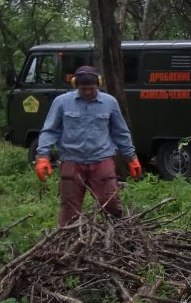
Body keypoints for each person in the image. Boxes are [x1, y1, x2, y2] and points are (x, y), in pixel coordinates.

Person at [35, 65, 142, 226]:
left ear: (98, 84)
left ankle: (117, 238)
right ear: (75, 85)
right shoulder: (61, 102)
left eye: (91, 88)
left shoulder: (109, 102)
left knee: (111, 203)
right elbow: (49, 130)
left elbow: (121, 133)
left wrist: (131, 158)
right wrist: (42, 156)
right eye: (83, 89)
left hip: (101, 161)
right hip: (71, 161)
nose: (87, 92)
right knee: (69, 210)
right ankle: (68, 243)